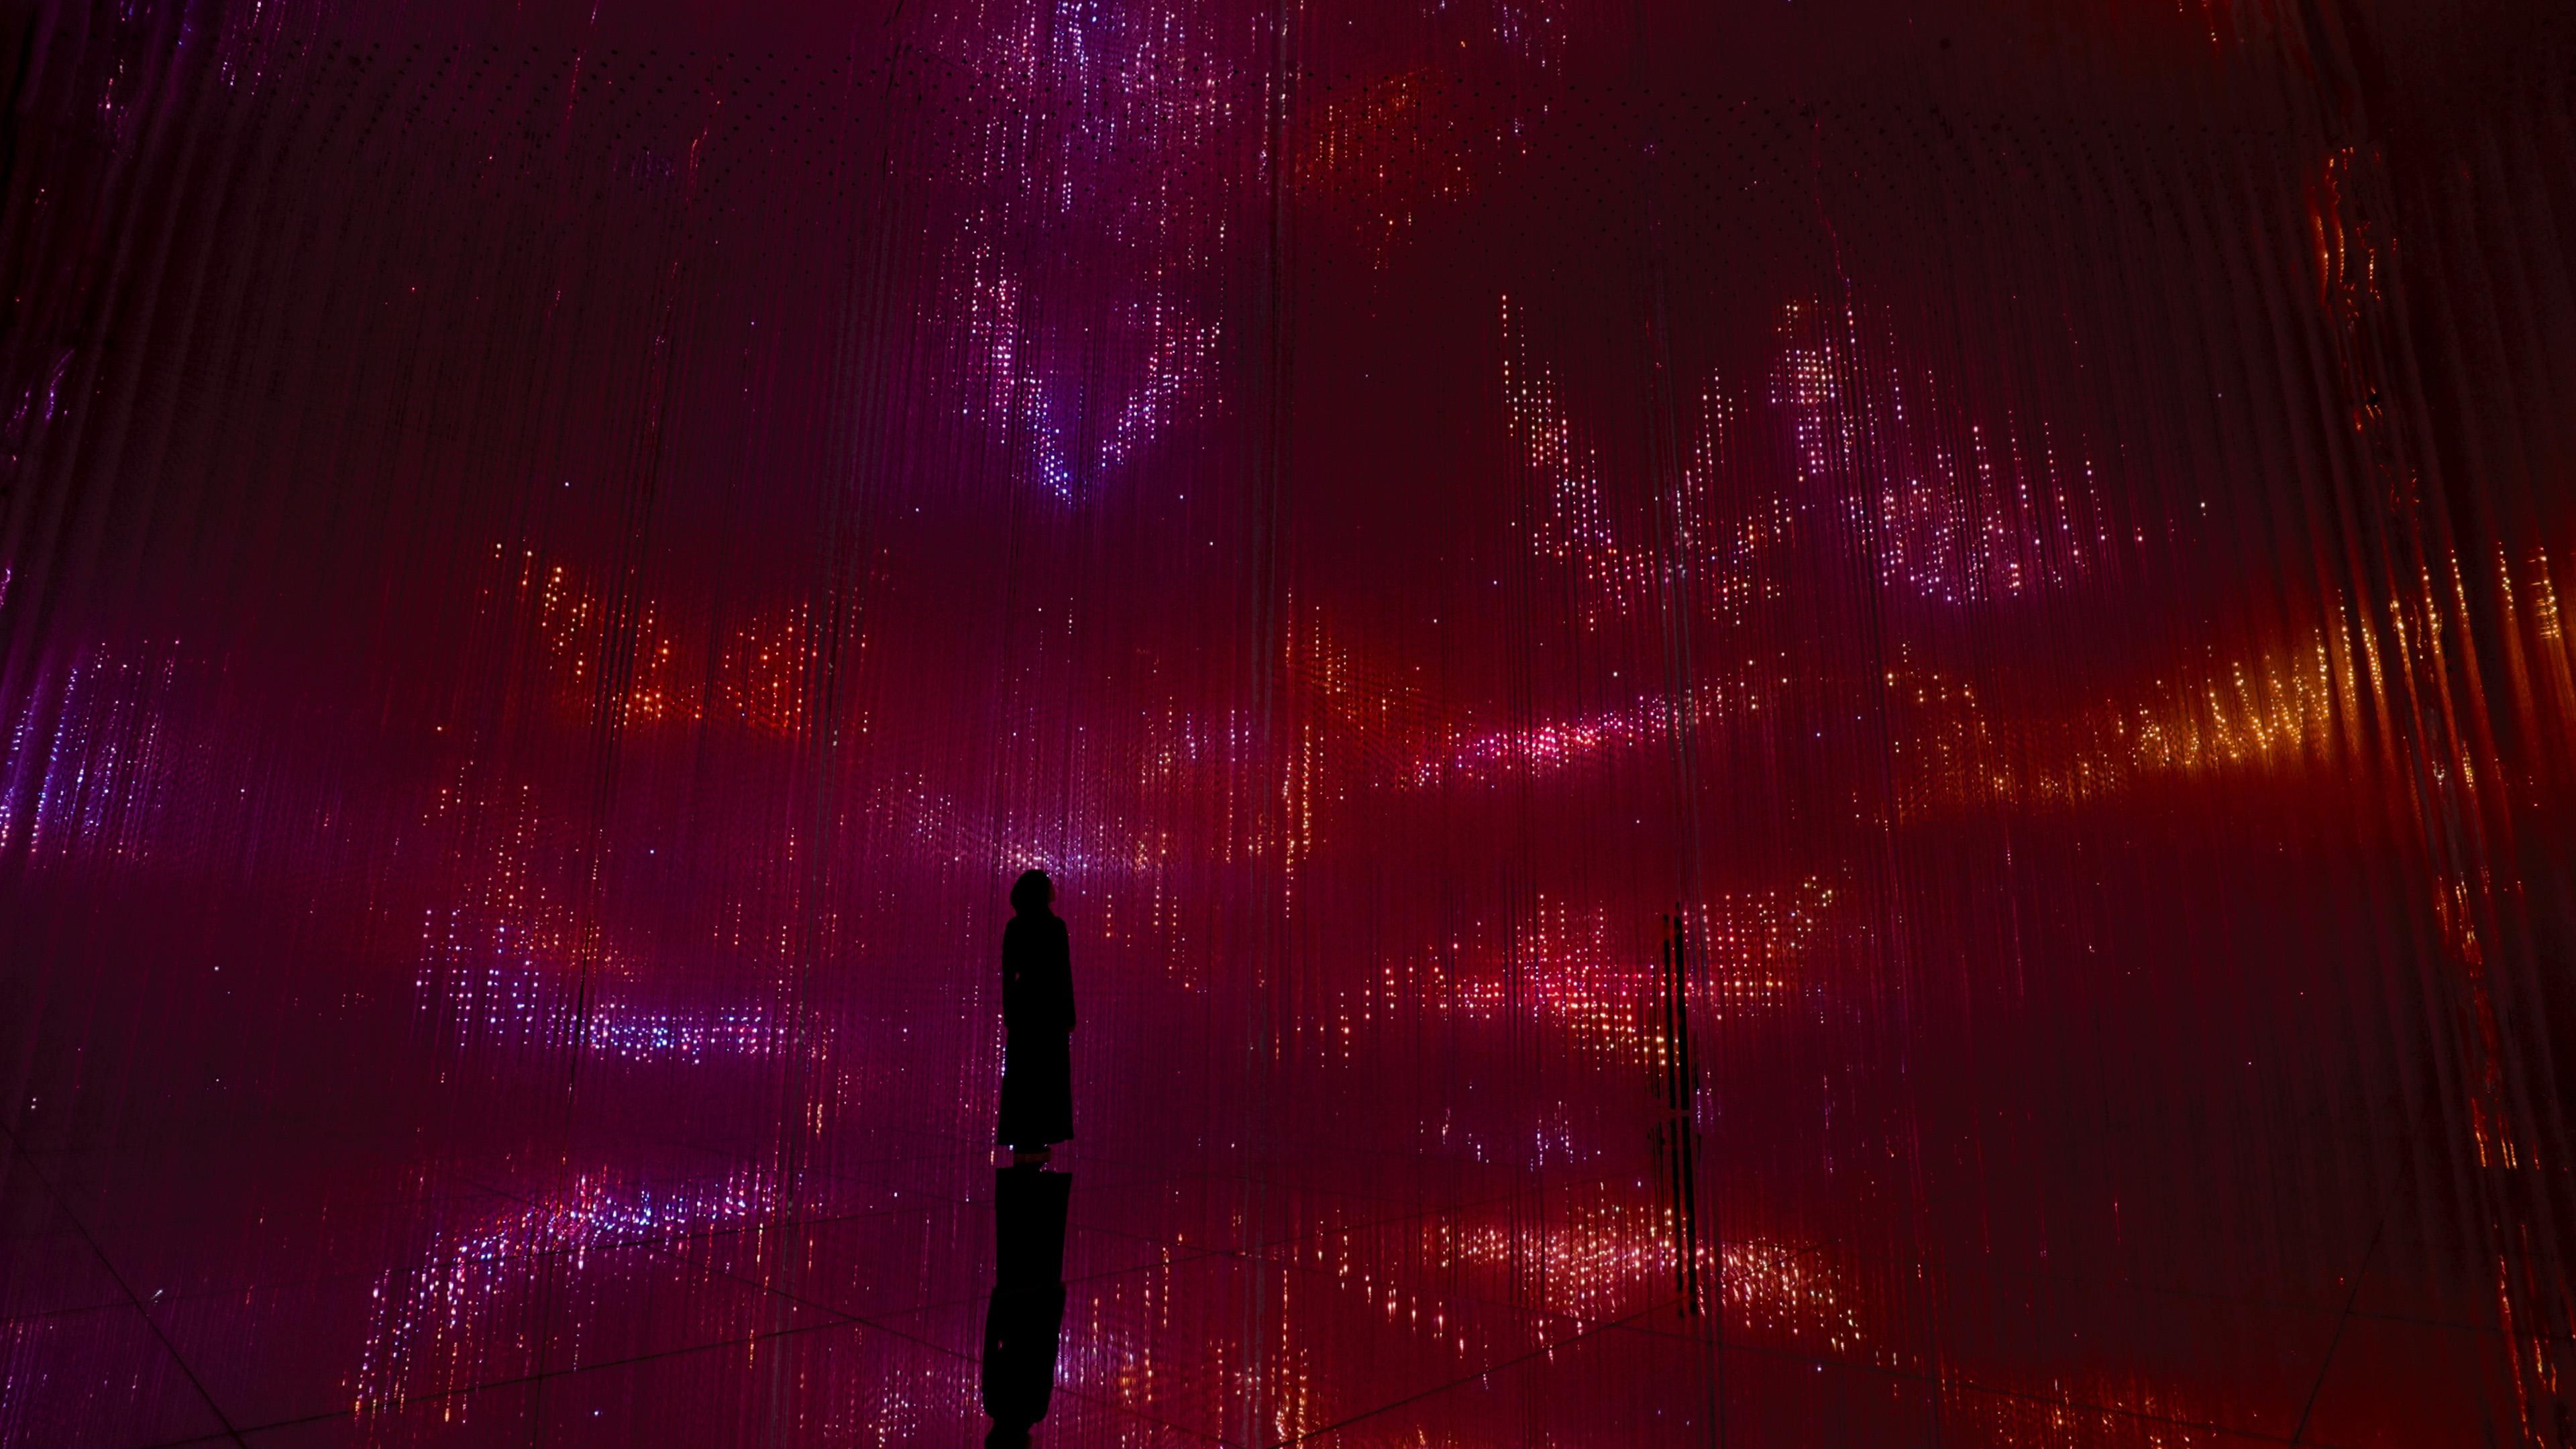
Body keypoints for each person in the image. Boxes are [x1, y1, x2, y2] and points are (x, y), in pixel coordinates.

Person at [997, 869, 1074, 1167]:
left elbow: (1008, 973)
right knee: (1046, 1074)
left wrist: (1010, 1010)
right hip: (1049, 1009)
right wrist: (1068, 1014)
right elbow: (1063, 974)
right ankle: (1041, 1134)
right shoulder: (1055, 927)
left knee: (1024, 1074)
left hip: (1025, 1007)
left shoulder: (1015, 926)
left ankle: (1024, 1136)